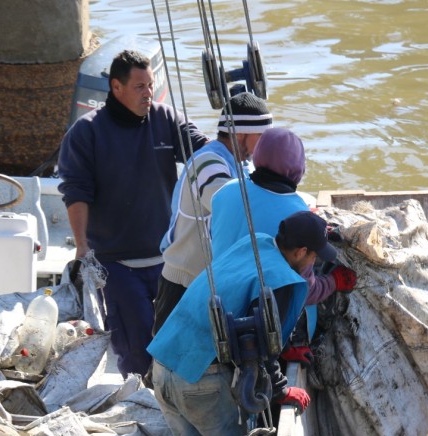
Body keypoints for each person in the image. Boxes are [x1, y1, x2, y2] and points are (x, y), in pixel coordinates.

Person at [148, 211, 337, 436]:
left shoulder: (254, 244)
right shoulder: (281, 282)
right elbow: (263, 349)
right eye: (313, 255)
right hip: (201, 379)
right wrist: (282, 392)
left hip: (163, 363)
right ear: (299, 252)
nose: (313, 264)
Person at [57, 49, 208, 381]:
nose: (148, 93)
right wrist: (82, 248)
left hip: (170, 260)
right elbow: (76, 191)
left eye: (151, 85)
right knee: (137, 353)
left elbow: (203, 150)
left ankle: (178, 407)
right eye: (140, 87)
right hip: (117, 266)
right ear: (116, 87)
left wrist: (234, 146)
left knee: (181, 346)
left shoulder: (165, 118)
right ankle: (147, 408)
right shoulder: (86, 133)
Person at [210, 127, 358, 347]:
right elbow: (306, 292)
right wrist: (334, 281)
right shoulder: (296, 215)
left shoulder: (225, 191)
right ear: (298, 167)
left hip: (218, 308)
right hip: (263, 324)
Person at [152, 92, 273, 336]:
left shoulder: (239, 164)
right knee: (167, 369)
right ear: (241, 134)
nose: (266, 145)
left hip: (207, 283)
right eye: (262, 137)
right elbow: (231, 205)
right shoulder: (208, 163)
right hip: (183, 285)